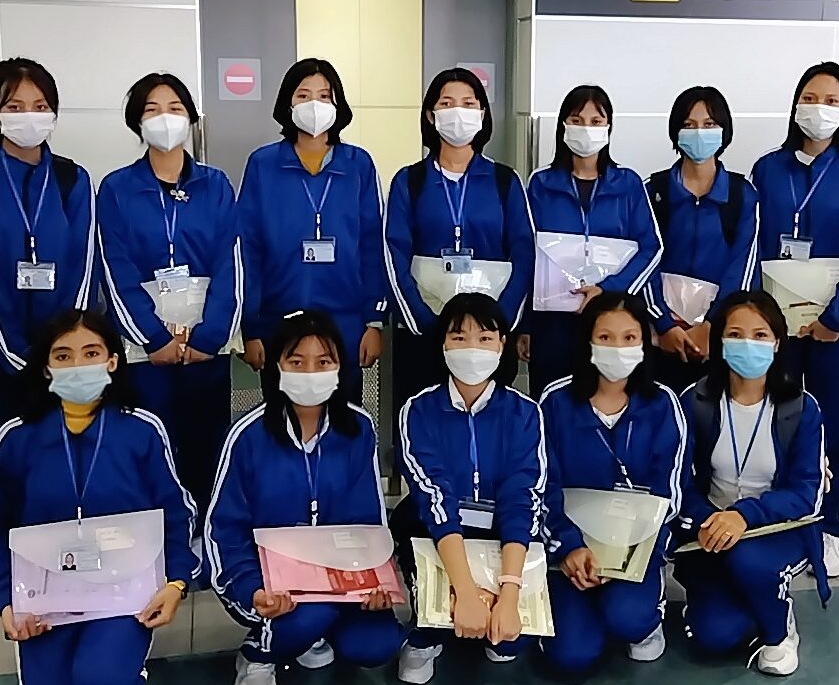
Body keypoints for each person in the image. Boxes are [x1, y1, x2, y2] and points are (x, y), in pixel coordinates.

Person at [0, 309, 199, 685]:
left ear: (112, 361)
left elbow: (176, 512)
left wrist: (175, 583)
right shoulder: (17, 437)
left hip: (123, 592)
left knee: (102, 683)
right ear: (46, 367)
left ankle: (109, 666)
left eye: (91, 353)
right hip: (45, 602)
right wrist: (6, 600)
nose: (78, 365)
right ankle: (67, 681)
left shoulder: (142, 430)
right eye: (63, 355)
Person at [206, 310, 403, 685]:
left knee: (377, 643)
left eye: (324, 362)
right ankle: (259, 655)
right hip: (268, 582)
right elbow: (223, 528)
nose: (311, 373)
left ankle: (310, 634)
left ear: (340, 368)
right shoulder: (246, 436)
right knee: (309, 614)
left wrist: (375, 580)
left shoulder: (358, 428)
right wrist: (251, 588)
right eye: (297, 362)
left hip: (340, 577)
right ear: (277, 367)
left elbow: (369, 519)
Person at [750, 62, 839, 577]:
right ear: (794, 105)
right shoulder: (768, 169)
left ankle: (832, 526)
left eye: (831, 101)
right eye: (810, 98)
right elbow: (753, 247)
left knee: (836, 423)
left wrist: (838, 316)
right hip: (778, 329)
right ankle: (785, 518)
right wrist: (760, 320)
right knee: (778, 420)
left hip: (837, 331)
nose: (819, 109)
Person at [97, 72, 241, 511]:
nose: (165, 118)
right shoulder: (116, 189)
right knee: (150, 449)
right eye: (152, 110)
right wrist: (154, 338)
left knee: (206, 448)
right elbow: (115, 268)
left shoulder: (216, 185)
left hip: (204, 346)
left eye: (175, 109)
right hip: (146, 351)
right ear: (137, 122)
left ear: (191, 118)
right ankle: (158, 536)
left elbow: (231, 263)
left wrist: (209, 337)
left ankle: (204, 532)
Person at [0, 57, 96, 467]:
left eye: (40, 106)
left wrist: (61, 351)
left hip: (63, 366)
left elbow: (83, 271)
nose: (29, 116)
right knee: (1, 473)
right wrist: (16, 355)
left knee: (63, 471)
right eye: (15, 106)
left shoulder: (73, 180)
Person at [390, 293, 545, 685]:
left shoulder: (525, 413)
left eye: (485, 338)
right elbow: (434, 497)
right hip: (436, 529)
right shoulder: (418, 410)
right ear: (442, 344)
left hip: (499, 532)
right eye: (459, 338)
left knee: (509, 643)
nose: (472, 349)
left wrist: (508, 592)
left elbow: (521, 498)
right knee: (437, 615)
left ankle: (486, 610)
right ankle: (425, 636)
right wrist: (465, 589)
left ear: (503, 344)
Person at [676, 291, 830, 676]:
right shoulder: (695, 401)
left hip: (777, 528)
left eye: (760, 335)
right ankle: (750, 597)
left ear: (777, 343)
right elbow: (677, 481)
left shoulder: (801, 407)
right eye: (735, 334)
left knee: (747, 559)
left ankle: (779, 631)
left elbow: (807, 494)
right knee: (713, 637)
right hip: (709, 527)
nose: (748, 344)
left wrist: (744, 516)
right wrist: (708, 519)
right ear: (720, 342)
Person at [538, 292, 687, 679]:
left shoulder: (663, 404)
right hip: (570, 547)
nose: (617, 348)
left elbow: (670, 492)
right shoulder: (555, 402)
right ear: (587, 341)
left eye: (629, 338)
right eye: (605, 337)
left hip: (635, 546)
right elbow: (543, 485)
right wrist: (569, 547)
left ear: (644, 342)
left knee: (628, 618)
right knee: (571, 657)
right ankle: (580, 616)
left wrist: (622, 551)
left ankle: (640, 619)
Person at [384, 68, 535, 425]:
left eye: (468, 104)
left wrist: (500, 323)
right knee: (425, 425)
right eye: (447, 103)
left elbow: (525, 252)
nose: (458, 112)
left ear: (482, 114)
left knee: (490, 427)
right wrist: (425, 323)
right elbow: (393, 254)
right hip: (425, 334)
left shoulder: (504, 180)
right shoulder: (409, 181)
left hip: (488, 338)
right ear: (430, 115)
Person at [237, 58, 386, 403]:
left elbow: (372, 244)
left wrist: (373, 321)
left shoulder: (358, 164)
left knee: (344, 416)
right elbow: (248, 247)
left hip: (345, 320)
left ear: (337, 104)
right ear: (288, 104)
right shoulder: (263, 164)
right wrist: (250, 327)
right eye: (303, 96)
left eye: (324, 96)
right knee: (281, 417)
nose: (314, 105)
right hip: (279, 318)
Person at [521, 85, 663, 398]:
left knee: (609, 398)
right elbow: (527, 255)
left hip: (611, 319)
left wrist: (609, 289)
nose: (586, 129)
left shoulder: (628, 183)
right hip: (553, 322)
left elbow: (652, 248)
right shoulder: (541, 183)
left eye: (596, 121)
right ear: (563, 126)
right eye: (577, 120)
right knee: (552, 400)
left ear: (608, 127)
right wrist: (525, 326)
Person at [644, 86, 761, 394]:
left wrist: (713, 325)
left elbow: (743, 268)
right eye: (689, 124)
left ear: (724, 131)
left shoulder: (742, 195)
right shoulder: (652, 192)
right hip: (659, 337)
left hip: (717, 339)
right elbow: (643, 263)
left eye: (709, 124)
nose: (699, 133)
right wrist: (664, 324)